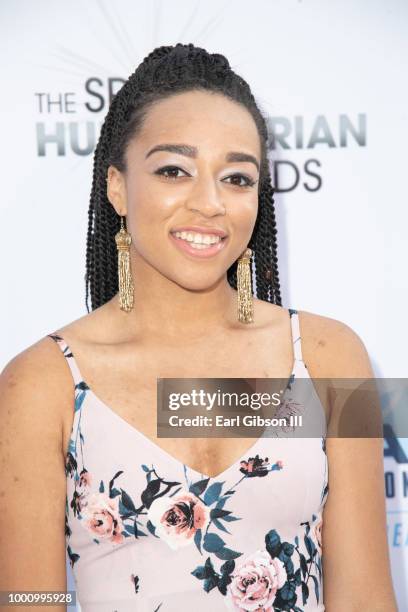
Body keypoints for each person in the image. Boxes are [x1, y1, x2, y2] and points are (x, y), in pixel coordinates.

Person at [0, 43, 397, 611]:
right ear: (117, 186)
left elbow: (365, 600)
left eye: (237, 178)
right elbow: (26, 600)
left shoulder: (333, 357)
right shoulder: (39, 384)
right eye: (173, 170)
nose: (210, 203)